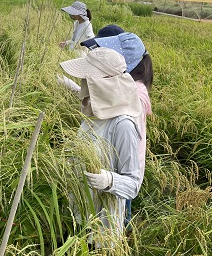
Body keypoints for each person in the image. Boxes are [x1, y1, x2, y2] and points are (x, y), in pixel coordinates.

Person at [59, 47, 143, 248]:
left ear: (102, 84)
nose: (83, 85)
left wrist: (109, 180)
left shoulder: (122, 125)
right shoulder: (93, 112)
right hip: (78, 212)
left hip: (101, 226)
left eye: (86, 80)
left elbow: (133, 184)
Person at [80, 30, 153, 230]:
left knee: (115, 221)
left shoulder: (128, 109)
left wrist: (109, 180)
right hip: (90, 198)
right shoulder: (101, 104)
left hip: (117, 179)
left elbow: (131, 179)